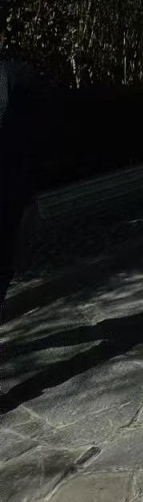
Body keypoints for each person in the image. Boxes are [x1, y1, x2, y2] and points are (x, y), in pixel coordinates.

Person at [0, 39, 41, 317]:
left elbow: (33, 144)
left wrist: (29, 197)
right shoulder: (19, 78)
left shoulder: (19, 78)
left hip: (8, 198)